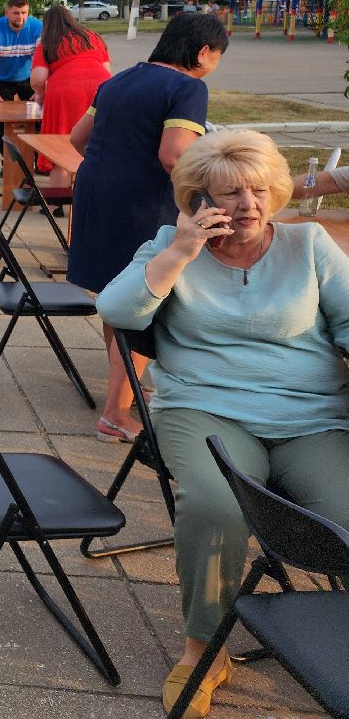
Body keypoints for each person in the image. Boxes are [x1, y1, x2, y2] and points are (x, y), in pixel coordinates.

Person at [97, 130, 349, 719]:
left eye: (258, 190)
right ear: (196, 200)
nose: (248, 206)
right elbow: (116, 310)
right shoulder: (170, 245)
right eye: (230, 194)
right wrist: (179, 253)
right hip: (204, 407)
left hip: (309, 414)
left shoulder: (309, 244)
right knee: (216, 504)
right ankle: (203, 650)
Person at [67, 13, 228, 444]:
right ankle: (117, 412)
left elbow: (77, 139)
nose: (214, 64)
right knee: (144, 299)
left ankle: (123, 391)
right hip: (142, 204)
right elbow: (176, 156)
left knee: (116, 295)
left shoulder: (118, 80)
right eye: (217, 55)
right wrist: (206, 204)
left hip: (96, 196)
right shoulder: (187, 87)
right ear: (201, 52)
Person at [29, 5, 112, 184]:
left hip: (63, 94)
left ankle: (55, 204)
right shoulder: (93, 38)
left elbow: (38, 79)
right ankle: (91, 200)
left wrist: (41, 95)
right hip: (100, 92)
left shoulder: (48, 42)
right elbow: (107, 71)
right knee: (96, 145)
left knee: (60, 148)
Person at [0, 0, 43, 102]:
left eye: (24, 13)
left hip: (28, 78)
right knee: (3, 116)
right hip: (2, 80)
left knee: (36, 115)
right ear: (6, 13)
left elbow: (42, 60)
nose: (20, 17)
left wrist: (41, 91)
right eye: (16, 13)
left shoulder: (38, 27)